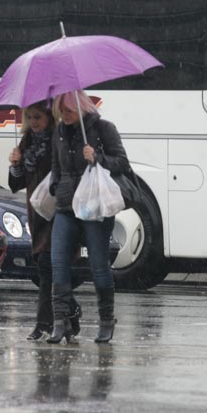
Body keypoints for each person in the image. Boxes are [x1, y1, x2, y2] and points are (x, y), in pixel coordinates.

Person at [47, 90, 130, 344]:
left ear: (81, 107)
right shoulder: (59, 132)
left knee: (98, 265)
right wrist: (55, 184)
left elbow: (122, 163)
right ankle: (59, 321)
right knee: (58, 262)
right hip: (65, 206)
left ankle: (106, 319)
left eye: (69, 110)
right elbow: (56, 166)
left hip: (94, 207)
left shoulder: (104, 128)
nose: (65, 116)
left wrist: (97, 158)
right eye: (62, 111)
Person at [8, 101, 81, 341]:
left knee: (48, 266)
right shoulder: (27, 142)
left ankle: (44, 323)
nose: (33, 122)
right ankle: (69, 312)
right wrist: (16, 164)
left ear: (50, 117)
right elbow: (15, 184)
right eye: (29, 118)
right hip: (36, 211)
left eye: (37, 117)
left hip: (58, 209)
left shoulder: (58, 139)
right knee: (46, 267)